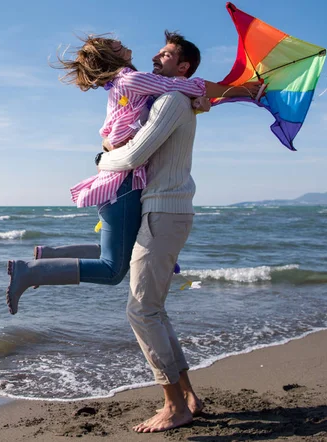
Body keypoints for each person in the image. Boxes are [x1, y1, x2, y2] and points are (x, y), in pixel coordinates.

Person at [95, 32, 262, 433]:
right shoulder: (172, 98)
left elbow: (135, 155)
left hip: (163, 212)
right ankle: (188, 397)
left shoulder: (170, 100)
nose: (156, 56)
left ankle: (173, 406)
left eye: (166, 54)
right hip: (165, 211)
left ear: (182, 67)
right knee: (153, 309)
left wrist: (102, 159)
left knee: (141, 310)